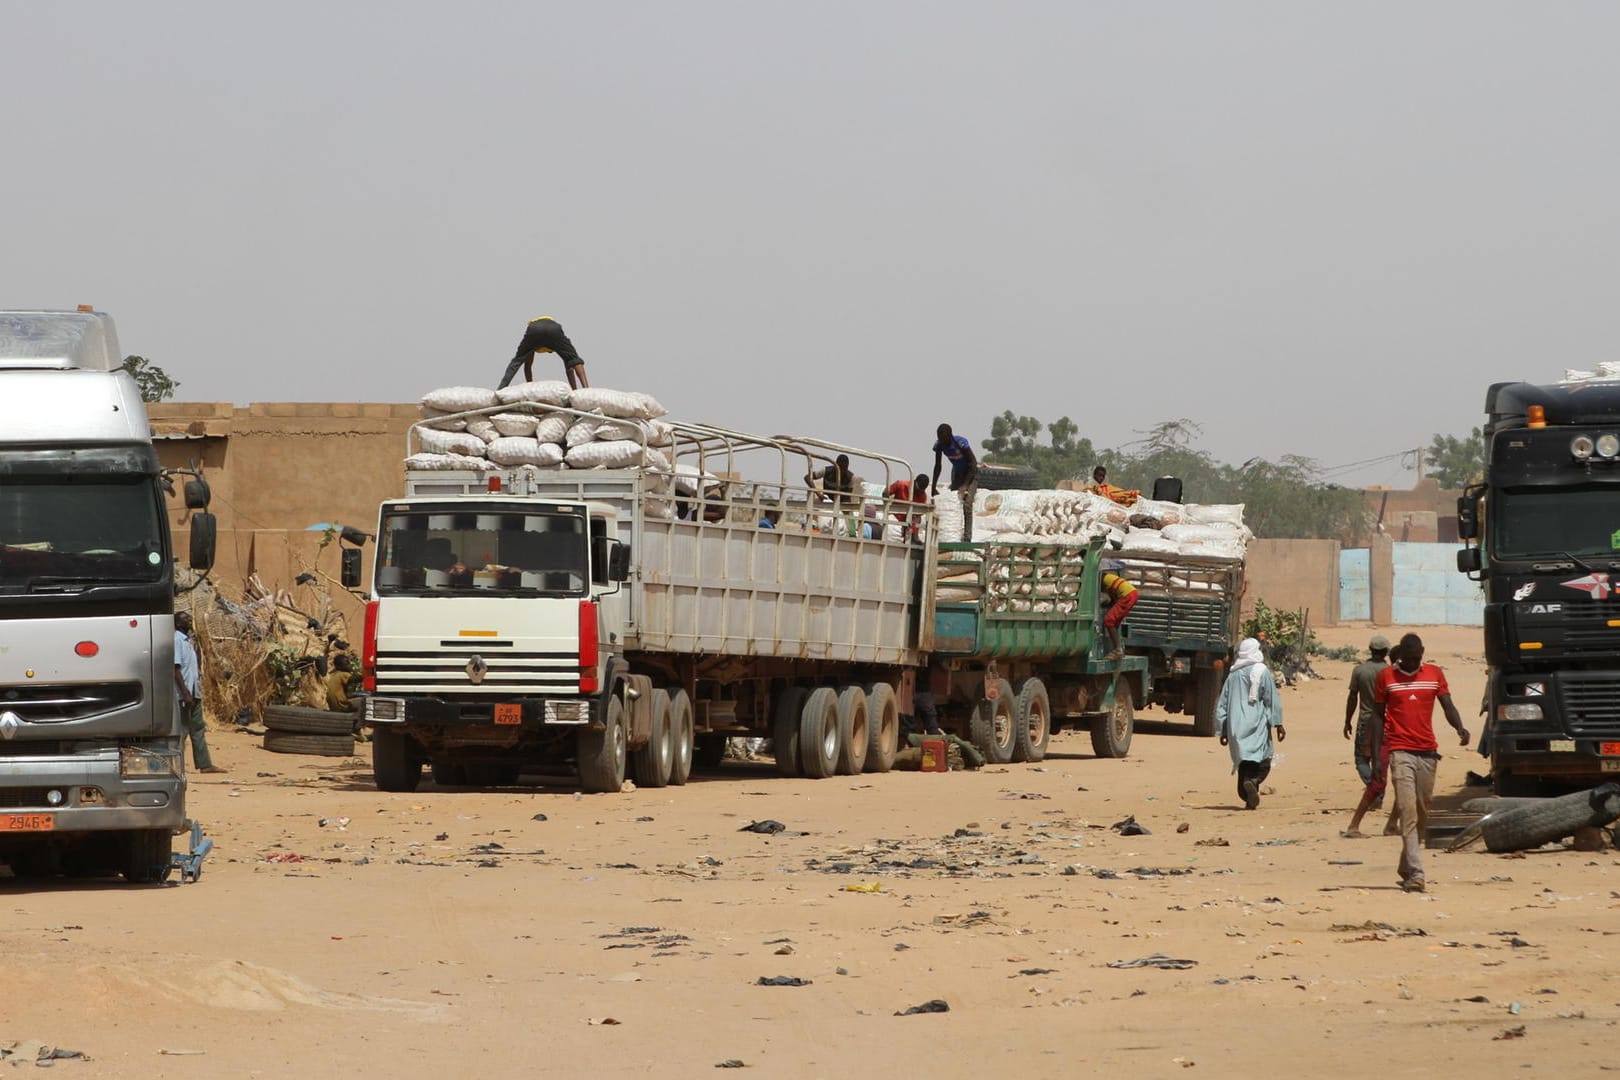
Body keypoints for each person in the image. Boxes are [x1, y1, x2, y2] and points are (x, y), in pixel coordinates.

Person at [1375, 633, 1469, 894]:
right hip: (1399, 751)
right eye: (1409, 658)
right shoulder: (1386, 678)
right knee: (1407, 811)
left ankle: (1406, 866)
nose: (1414, 662)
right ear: (1400, 655)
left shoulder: (1434, 674)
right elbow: (1376, 717)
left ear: (1423, 653)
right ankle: (1417, 873)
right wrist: (1377, 757)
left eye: (1418, 657)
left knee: (1422, 810)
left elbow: (1447, 705)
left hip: (1428, 752)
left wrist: (1460, 727)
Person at [1342, 635, 1399, 838]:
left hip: (1366, 720)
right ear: (1385, 652)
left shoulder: (1360, 670)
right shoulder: (1390, 672)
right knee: (1381, 758)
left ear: (1370, 649)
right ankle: (1377, 788)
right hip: (1387, 722)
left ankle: (1374, 788)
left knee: (1361, 758)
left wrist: (1347, 720)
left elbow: (1352, 698)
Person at [1217, 637, 1284, 809]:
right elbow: (1272, 699)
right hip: (1257, 724)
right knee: (1263, 762)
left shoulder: (1232, 675)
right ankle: (1253, 782)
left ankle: (1248, 797)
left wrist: (1222, 729)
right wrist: (1278, 724)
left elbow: (1222, 704)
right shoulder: (1262, 671)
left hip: (1235, 726)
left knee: (1244, 762)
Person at [173, 612, 226, 774]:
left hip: (194, 692)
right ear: (177, 623)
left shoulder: (188, 641)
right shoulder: (176, 640)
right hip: (184, 694)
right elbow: (175, 669)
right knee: (181, 730)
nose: (190, 621)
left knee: (197, 729)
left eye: (190, 619)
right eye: (186, 619)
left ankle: (205, 764)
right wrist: (184, 692)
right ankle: (175, 766)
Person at [497, 315, 590, 391]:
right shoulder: (555, 342)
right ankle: (586, 390)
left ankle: (501, 389)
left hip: (534, 330)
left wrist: (530, 387)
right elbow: (570, 365)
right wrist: (574, 390)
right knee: (574, 359)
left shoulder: (533, 345)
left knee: (516, 362)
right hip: (553, 328)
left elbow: (527, 367)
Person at [931, 423, 979, 542]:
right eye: (940, 439)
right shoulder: (939, 446)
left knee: (967, 503)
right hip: (957, 473)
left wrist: (965, 486)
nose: (942, 441)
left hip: (971, 474)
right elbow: (937, 466)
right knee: (953, 501)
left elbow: (973, 463)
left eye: (944, 439)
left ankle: (967, 537)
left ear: (950, 436)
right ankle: (953, 533)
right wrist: (933, 486)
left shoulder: (960, 443)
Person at [1099, 565, 1139, 661]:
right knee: (1114, 622)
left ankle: (1118, 650)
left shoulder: (1099, 580)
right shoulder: (1108, 578)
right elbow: (1113, 597)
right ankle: (1118, 648)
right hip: (1132, 593)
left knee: (1109, 620)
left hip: (1127, 595)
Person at [883, 474, 930, 540]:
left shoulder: (922, 496)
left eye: (921, 490)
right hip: (895, 516)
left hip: (909, 521)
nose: (919, 491)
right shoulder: (901, 484)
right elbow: (885, 493)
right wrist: (887, 506)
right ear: (915, 481)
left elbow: (919, 513)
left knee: (918, 519)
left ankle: (913, 538)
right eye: (918, 488)